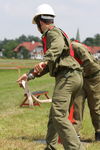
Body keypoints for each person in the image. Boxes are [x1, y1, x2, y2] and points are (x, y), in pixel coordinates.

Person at [17, 4, 85, 150]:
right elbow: (48, 65)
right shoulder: (57, 33)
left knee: (59, 116)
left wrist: (45, 59)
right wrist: (29, 75)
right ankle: (51, 147)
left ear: (40, 22)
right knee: (55, 115)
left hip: (67, 77)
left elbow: (57, 47)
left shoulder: (52, 33)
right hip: (74, 77)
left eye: (37, 24)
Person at [71, 41, 100, 141]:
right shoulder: (61, 51)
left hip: (94, 78)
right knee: (77, 107)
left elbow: (89, 62)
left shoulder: (76, 46)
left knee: (95, 107)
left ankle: (98, 133)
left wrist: (76, 71)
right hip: (80, 78)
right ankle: (75, 134)